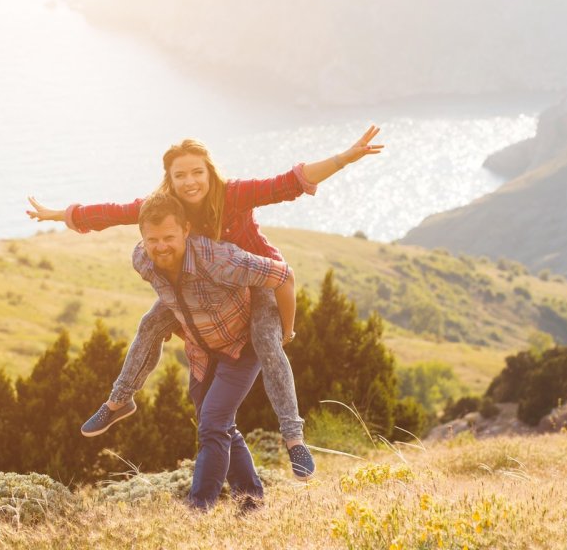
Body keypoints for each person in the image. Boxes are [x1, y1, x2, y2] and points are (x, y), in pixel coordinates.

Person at [26, 126, 382, 480]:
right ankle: (119, 402)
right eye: (179, 175)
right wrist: (60, 214)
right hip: (199, 286)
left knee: (266, 342)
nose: (189, 181)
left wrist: (344, 158)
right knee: (150, 324)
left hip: (254, 282)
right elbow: (114, 212)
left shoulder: (235, 194)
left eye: (197, 172)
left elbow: (290, 182)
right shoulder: (166, 208)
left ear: (209, 170)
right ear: (169, 178)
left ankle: (293, 438)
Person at [133, 192, 290, 511]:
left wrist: (284, 331)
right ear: (142, 239)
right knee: (221, 425)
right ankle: (252, 502)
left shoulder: (217, 258)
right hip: (204, 352)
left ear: (186, 230)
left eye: (169, 237)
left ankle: (198, 508)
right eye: (153, 239)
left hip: (243, 344)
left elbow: (281, 274)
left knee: (213, 425)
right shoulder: (143, 260)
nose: (161, 246)